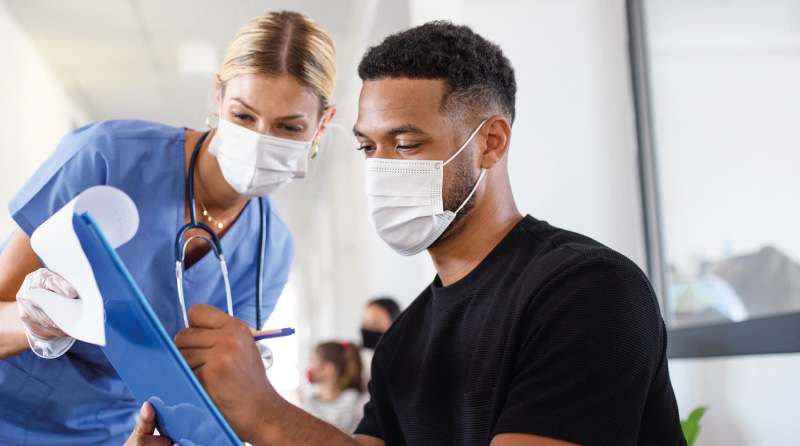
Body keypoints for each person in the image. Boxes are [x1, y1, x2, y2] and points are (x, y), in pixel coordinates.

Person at [127, 21, 686, 446]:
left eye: (408, 144)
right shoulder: (402, 342)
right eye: (370, 147)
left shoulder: (585, 291)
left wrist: (267, 413)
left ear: (490, 142)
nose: (382, 167)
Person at [0, 10, 338, 445]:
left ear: (321, 127)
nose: (260, 138)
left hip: (99, 430)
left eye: (288, 127)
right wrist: (36, 321)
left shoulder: (270, 251)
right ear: (217, 98)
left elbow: (201, 391)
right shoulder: (107, 156)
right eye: (243, 116)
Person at [302, 341, 364, 433]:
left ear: (327, 368)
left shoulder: (355, 400)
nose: (309, 368)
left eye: (313, 361)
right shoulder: (309, 402)